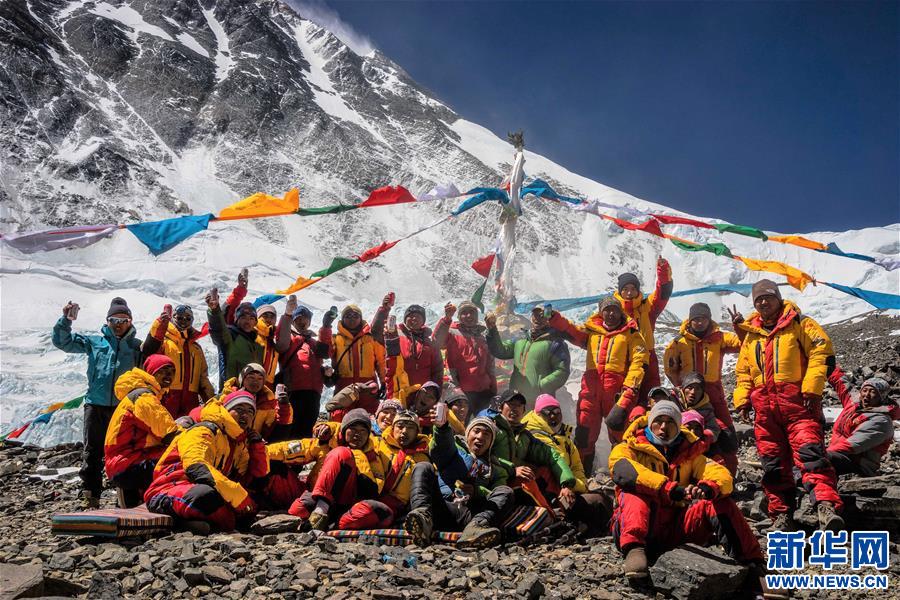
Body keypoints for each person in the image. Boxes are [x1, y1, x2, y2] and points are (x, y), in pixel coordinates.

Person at [609, 401, 763, 583]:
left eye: (671, 422)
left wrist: (708, 488)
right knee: (634, 492)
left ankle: (753, 564)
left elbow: (719, 473)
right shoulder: (629, 447)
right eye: (659, 420)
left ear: (678, 426)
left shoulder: (690, 452)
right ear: (650, 422)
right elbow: (624, 471)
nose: (664, 427)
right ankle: (634, 549)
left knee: (720, 502)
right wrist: (669, 489)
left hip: (675, 529)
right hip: (640, 526)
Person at [733, 279, 842, 531]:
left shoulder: (799, 323)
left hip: (799, 405)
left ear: (778, 298)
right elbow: (743, 372)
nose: (763, 302)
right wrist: (742, 400)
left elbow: (822, 351)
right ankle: (782, 516)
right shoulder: (751, 335)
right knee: (773, 464)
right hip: (765, 411)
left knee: (811, 456)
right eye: (758, 299)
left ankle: (826, 507)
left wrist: (812, 388)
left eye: (768, 297)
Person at [52, 297, 143, 508]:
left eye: (123, 320)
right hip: (95, 404)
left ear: (130, 322)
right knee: (92, 452)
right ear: (107, 321)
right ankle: (90, 496)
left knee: (124, 453)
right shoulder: (95, 342)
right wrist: (65, 320)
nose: (119, 325)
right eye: (114, 320)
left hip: (124, 407)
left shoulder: (137, 347)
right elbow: (63, 342)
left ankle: (126, 498)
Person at [145, 390, 268, 533]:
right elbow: (196, 467)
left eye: (250, 412)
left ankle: (198, 524)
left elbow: (252, 479)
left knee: (248, 500)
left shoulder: (238, 444)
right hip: (168, 488)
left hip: (202, 489)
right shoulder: (204, 430)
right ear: (226, 410)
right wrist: (238, 497)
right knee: (206, 496)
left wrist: (257, 447)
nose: (245, 415)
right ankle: (189, 524)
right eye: (239, 409)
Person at [548, 298, 647, 466]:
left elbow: (639, 364)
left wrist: (628, 393)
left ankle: (620, 477)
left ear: (620, 312)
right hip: (590, 394)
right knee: (584, 437)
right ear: (601, 312)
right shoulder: (591, 332)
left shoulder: (632, 335)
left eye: (614, 310)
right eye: (607, 310)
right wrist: (553, 317)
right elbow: (571, 330)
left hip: (616, 395)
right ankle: (584, 477)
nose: (610, 313)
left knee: (621, 437)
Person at [403, 415, 514, 549]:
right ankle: (422, 520)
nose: (480, 437)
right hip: (443, 507)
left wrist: (477, 491)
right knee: (423, 467)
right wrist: (442, 428)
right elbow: (442, 446)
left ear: (491, 441)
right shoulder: (455, 450)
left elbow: (496, 496)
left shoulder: (497, 470)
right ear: (468, 433)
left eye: (487, 434)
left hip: (470, 515)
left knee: (506, 491)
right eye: (476, 431)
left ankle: (475, 530)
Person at [522, 394, 613, 534]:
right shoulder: (534, 435)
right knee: (599, 501)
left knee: (600, 499)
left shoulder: (564, 437)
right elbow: (556, 465)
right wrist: (575, 486)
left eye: (556, 412)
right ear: (538, 414)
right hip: (550, 494)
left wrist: (581, 486)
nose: (553, 416)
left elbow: (577, 467)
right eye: (547, 412)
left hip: (568, 488)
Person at [289, 408, 390, 531]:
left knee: (374, 511)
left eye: (363, 431)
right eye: (352, 429)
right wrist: (264, 450)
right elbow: (288, 449)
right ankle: (323, 512)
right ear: (344, 430)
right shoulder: (330, 445)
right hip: (326, 496)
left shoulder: (374, 456)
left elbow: (374, 489)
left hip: (352, 500)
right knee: (298, 509)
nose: (357, 434)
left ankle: (329, 521)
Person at [104, 355, 180, 507]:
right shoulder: (144, 397)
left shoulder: (140, 394)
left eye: (172, 371)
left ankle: (134, 498)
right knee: (177, 461)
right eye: (163, 370)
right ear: (151, 373)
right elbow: (169, 434)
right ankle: (160, 502)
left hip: (123, 461)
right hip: (127, 464)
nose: (169, 375)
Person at [490, 390, 577, 507]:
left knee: (545, 471)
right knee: (527, 480)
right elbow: (483, 456)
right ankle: (550, 515)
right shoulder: (491, 429)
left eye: (519, 406)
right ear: (501, 407)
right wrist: (512, 470)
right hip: (494, 481)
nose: (515, 409)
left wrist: (566, 484)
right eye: (511, 404)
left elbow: (551, 455)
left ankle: (562, 506)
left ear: (523, 411)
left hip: (513, 480)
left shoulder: (524, 436)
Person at [663, 302, 741, 428]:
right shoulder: (678, 343)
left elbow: (742, 344)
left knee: (725, 427)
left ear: (709, 320)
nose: (700, 323)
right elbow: (670, 369)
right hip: (689, 391)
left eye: (703, 319)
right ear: (690, 320)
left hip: (713, 390)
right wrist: (681, 387)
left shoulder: (719, 338)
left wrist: (739, 326)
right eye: (696, 319)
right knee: (691, 426)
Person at [274, 296, 334, 439]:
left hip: (313, 392)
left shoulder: (313, 342)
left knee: (307, 428)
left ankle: (301, 459)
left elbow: (324, 352)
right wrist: (287, 314)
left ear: (309, 321)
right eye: (298, 318)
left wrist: (326, 327)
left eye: (305, 318)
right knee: (291, 427)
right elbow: (281, 341)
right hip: (294, 390)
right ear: (293, 321)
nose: (302, 321)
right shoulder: (290, 338)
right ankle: (288, 459)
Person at [485, 306, 570, 406]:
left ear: (550, 319)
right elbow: (501, 351)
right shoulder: (521, 338)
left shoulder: (556, 343)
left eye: (543, 316)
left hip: (539, 401)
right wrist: (492, 329)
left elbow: (562, 371)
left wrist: (541, 386)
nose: (538, 318)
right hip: (516, 398)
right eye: (535, 314)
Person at [614, 258, 673, 401]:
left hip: (648, 358)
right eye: (625, 289)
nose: (629, 293)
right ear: (620, 291)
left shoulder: (647, 308)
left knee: (652, 398)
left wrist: (663, 271)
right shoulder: (613, 311)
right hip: (624, 360)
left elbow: (662, 294)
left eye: (633, 289)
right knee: (626, 400)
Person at [142, 304, 215, 418]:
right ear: (173, 318)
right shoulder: (164, 342)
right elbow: (148, 350)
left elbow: (203, 378)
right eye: (179, 317)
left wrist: (211, 400)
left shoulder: (196, 348)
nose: (183, 321)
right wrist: (160, 326)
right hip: (165, 399)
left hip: (190, 402)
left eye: (188, 318)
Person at [826, 367, 897, 476]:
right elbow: (842, 383)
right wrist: (827, 365)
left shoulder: (881, 421)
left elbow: (852, 445)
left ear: (881, 397)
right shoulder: (854, 404)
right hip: (838, 453)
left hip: (858, 465)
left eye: (873, 392)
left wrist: (822, 453)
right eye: (864, 390)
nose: (866, 395)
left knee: (818, 459)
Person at [433, 301, 497, 416]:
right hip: (459, 390)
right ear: (459, 317)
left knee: (483, 425)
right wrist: (447, 318)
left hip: (483, 390)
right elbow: (437, 342)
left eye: (472, 312)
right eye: (464, 313)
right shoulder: (452, 332)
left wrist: (493, 387)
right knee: (459, 426)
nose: (469, 316)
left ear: (477, 316)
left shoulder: (482, 337)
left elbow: (490, 364)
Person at [329, 297, 390, 414]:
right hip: (344, 386)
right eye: (348, 316)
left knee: (369, 418)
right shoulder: (335, 339)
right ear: (342, 319)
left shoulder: (370, 338)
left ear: (360, 319)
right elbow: (326, 352)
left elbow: (381, 362)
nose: (352, 319)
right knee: (341, 417)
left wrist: (383, 382)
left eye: (355, 316)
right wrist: (326, 327)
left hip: (368, 386)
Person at [677, 372, 738, 474]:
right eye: (690, 387)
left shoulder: (706, 408)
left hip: (699, 444)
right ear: (683, 389)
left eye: (698, 389)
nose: (693, 392)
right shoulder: (673, 401)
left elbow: (714, 429)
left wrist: (704, 439)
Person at [207, 287, 265, 388]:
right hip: (231, 392)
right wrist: (215, 311)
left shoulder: (258, 345)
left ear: (255, 322)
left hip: (252, 393)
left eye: (251, 318)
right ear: (236, 319)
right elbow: (218, 331)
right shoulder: (231, 335)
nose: (247, 321)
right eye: (243, 317)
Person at [217, 363, 291, 441]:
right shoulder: (225, 397)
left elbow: (273, 430)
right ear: (242, 380)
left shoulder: (267, 403)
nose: (255, 382)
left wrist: (284, 406)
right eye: (251, 377)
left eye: (260, 379)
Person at [384, 302, 444, 398]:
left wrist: (436, 391)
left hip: (424, 392)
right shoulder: (395, 336)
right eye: (411, 316)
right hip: (399, 390)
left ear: (423, 321)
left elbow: (437, 369)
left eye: (418, 317)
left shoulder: (430, 342)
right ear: (405, 319)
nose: (414, 318)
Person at [254, 304, 280, 388]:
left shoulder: (274, 337)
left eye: (272, 316)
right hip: (251, 380)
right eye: (265, 315)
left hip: (267, 384)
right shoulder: (252, 333)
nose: (268, 319)